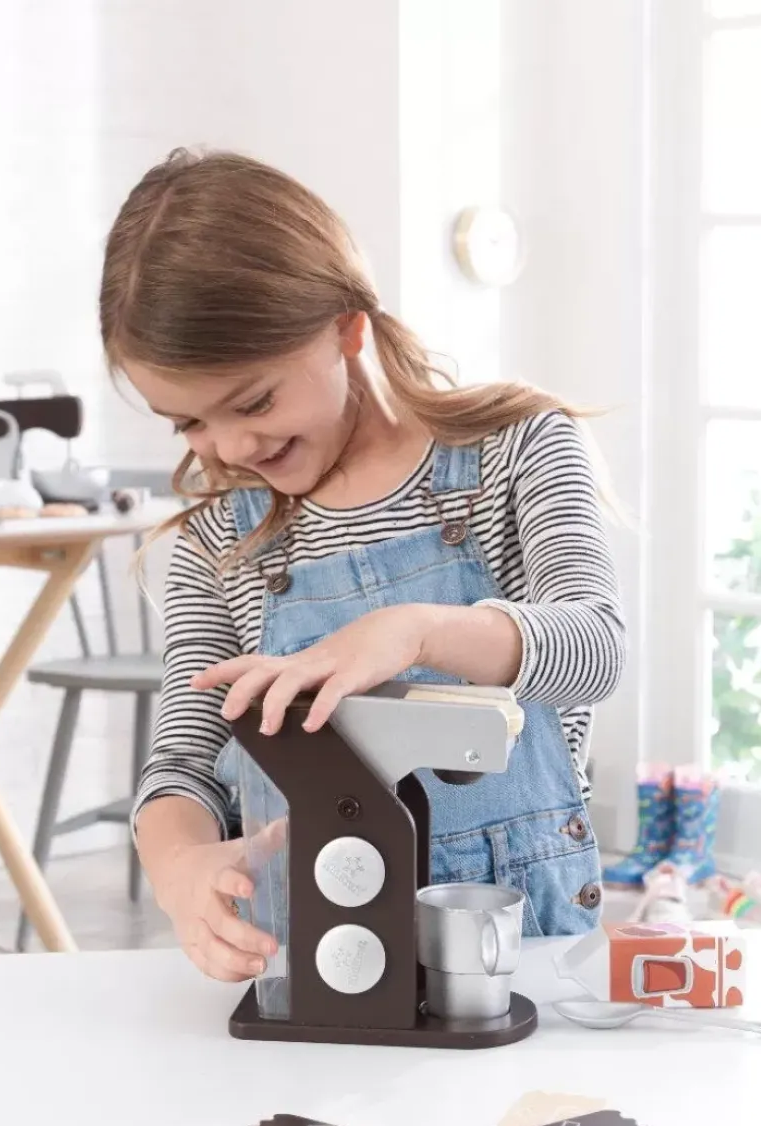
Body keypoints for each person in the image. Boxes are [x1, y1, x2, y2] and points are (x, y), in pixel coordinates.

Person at [103, 149, 625, 982]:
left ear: (347, 326)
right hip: (309, 966)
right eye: (187, 424)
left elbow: (594, 649)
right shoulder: (217, 544)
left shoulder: (517, 450)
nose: (229, 447)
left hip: (519, 959)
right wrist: (181, 869)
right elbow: (184, 763)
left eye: (254, 401)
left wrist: (414, 632)